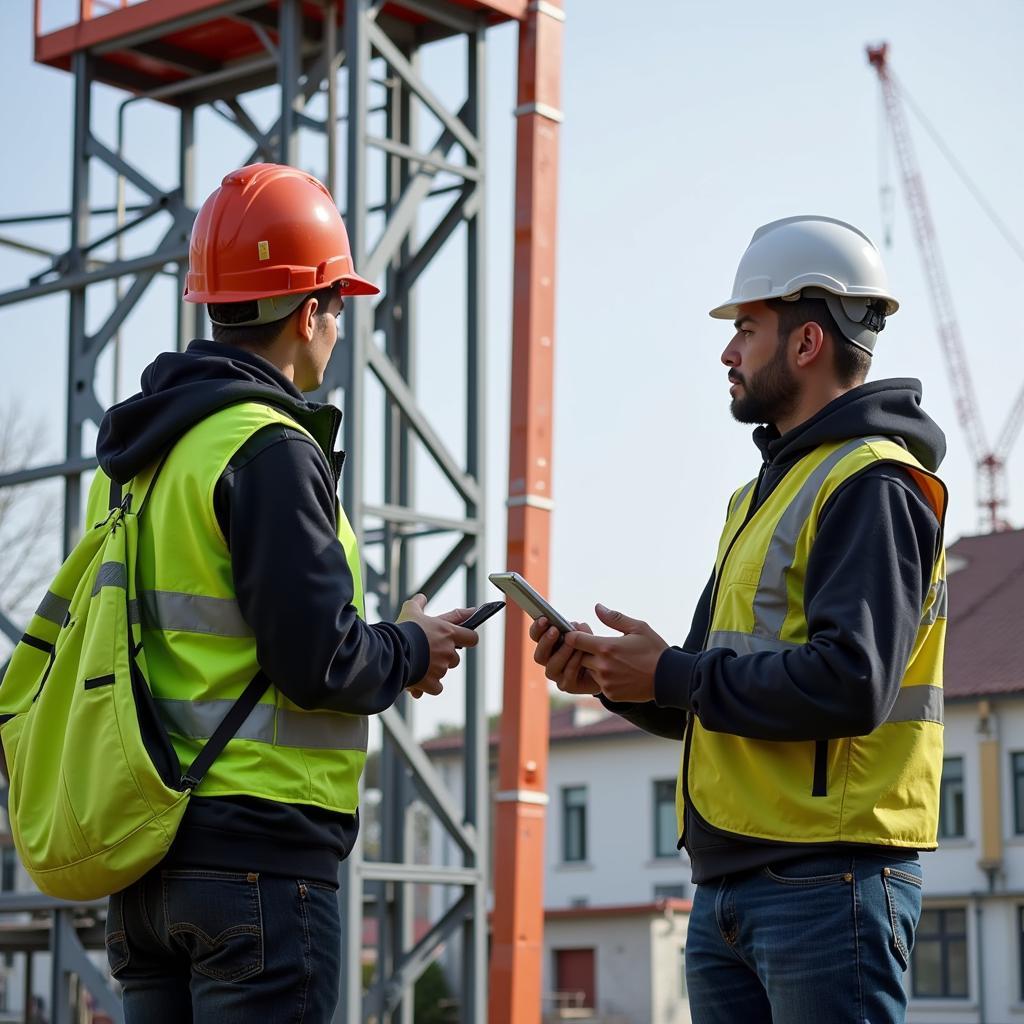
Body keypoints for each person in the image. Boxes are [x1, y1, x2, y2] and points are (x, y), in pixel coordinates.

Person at [532, 215, 947, 1024]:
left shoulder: (873, 485)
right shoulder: (764, 494)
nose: (727, 353)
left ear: (806, 343)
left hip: (828, 884)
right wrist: (617, 680)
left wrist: (673, 672)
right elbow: (709, 694)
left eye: (745, 330)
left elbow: (850, 683)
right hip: (732, 887)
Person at [95, 164, 478, 1023]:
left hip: (145, 854)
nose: (338, 331)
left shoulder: (140, 459)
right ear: (310, 312)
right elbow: (319, 662)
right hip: (257, 866)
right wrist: (413, 644)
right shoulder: (267, 447)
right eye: (339, 308)